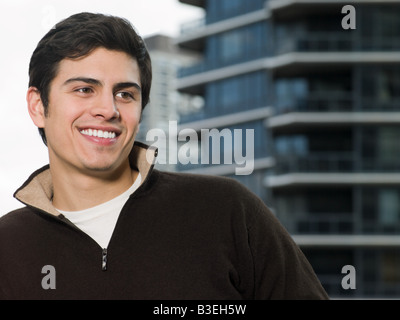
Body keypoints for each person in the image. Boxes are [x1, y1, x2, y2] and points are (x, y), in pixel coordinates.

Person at [0, 12, 329, 300]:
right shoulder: (8, 246)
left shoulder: (227, 211)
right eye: (84, 89)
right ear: (38, 106)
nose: (108, 109)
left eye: (125, 94)